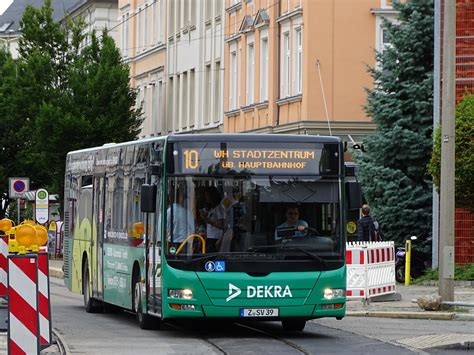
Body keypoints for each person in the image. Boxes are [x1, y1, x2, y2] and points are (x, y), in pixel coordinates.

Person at [201, 187, 226, 252]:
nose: (205, 197)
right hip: (210, 236)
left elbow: (221, 225)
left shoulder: (220, 208)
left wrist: (207, 220)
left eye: (207, 195)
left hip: (216, 237)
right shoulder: (212, 208)